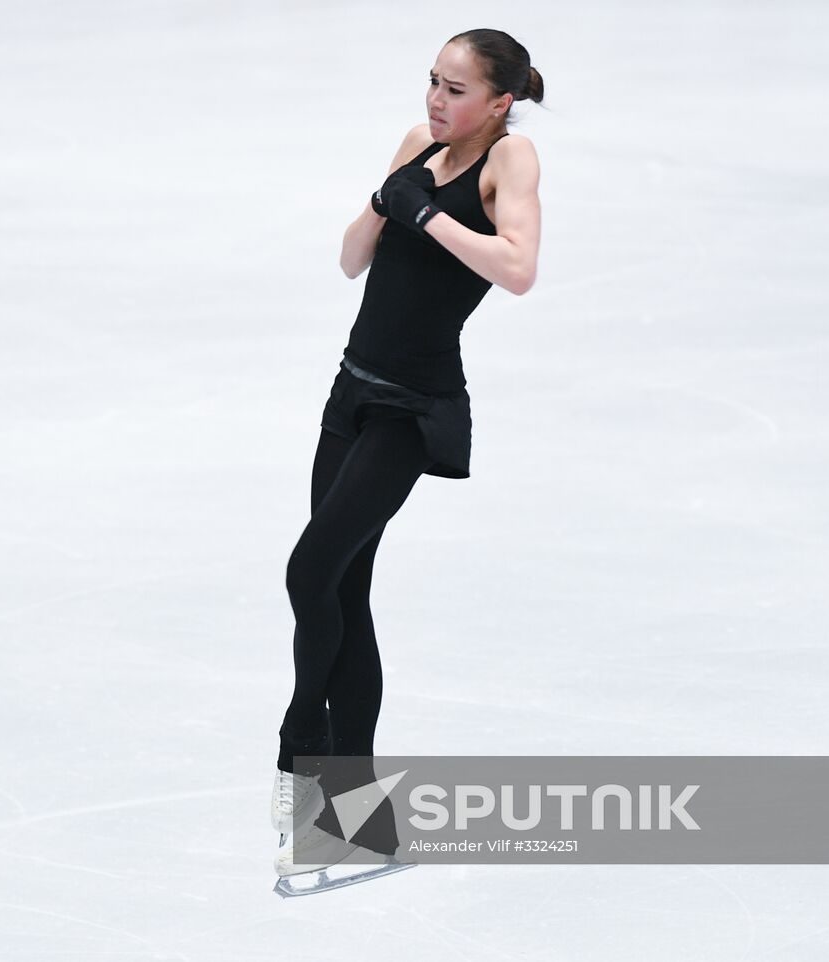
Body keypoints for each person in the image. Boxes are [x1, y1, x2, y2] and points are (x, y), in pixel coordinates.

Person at [272, 28, 545, 877]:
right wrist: (384, 201)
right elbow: (353, 260)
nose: (437, 100)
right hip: (351, 392)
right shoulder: (415, 145)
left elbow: (520, 268)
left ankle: (300, 735)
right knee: (345, 589)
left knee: (310, 574)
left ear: (499, 102)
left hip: (415, 409)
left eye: (457, 89)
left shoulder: (511, 160)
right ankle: (353, 821)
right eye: (433, 81)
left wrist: (426, 211)